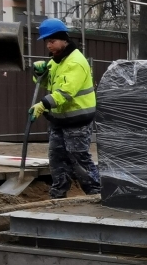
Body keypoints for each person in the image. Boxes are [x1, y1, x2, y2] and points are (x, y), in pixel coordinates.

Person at [30, 18, 102, 199]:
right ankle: (58, 195)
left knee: (78, 158)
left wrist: (43, 104)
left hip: (77, 121)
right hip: (59, 120)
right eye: (47, 42)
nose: (49, 45)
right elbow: (49, 83)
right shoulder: (56, 61)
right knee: (57, 159)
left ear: (64, 39)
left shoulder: (75, 62)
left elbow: (65, 92)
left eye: (52, 41)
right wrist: (39, 74)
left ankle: (96, 193)